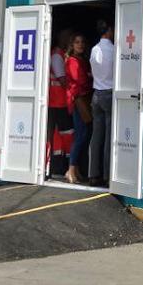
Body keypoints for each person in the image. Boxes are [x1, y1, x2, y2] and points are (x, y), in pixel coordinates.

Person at [88, 18, 115, 187]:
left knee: (96, 136)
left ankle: (93, 174)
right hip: (109, 94)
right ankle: (106, 175)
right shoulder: (114, 50)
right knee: (108, 138)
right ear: (110, 30)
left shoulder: (94, 49)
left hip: (96, 94)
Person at [64, 33, 93, 184]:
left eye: (82, 42)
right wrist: (90, 77)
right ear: (72, 45)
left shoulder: (82, 60)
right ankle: (70, 169)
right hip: (79, 101)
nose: (80, 45)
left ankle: (76, 169)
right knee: (81, 135)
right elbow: (79, 80)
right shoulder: (72, 61)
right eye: (76, 42)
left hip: (84, 99)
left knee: (85, 134)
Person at [46, 28, 73, 178]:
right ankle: (58, 166)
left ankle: (59, 166)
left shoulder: (60, 55)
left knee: (63, 134)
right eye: (67, 37)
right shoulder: (57, 56)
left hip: (59, 102)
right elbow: (63, 80)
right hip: (58, 102)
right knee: (66, 133)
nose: (68, 40)